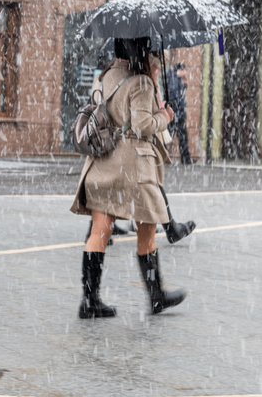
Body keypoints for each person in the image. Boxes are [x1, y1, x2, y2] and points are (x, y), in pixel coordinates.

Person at [70, 37, 185, 317]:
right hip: (134, 168)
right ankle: (156, 295)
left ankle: (89, 301)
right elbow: (143, 125)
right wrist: (165, 117)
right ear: (143, 51)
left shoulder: (108, 75)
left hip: (102, 163)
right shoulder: (141, 83)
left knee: (99, 232)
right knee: (146, 234)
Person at [166, 63, 193, 164]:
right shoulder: (174, 78)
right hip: (176, 114)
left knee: (177, 136)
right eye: (184, 70)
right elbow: (174, 95)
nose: (185, 73)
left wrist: (184, 83)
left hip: (177, 113)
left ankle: (185, 157)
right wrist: (177, 109)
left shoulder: (176, 78)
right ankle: (185, 158)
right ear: (180, 70)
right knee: (175, 136)